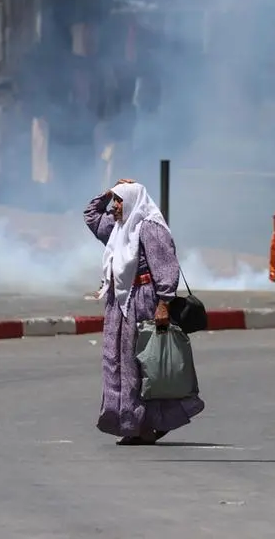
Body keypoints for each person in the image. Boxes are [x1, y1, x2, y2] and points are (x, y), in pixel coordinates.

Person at [84, 179, 204, 445]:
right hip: (119, 302)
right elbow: (91, 216)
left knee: (145, 364)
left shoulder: (149, 227)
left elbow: (166, 266)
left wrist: (163, 303)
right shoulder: (117, 228)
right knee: (118, 362)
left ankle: (151, 422)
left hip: (144, 301)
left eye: (119, 201)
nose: (115, 206)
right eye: (115, 201)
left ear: (133, 201)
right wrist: (109, 192)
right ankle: (131, 422)